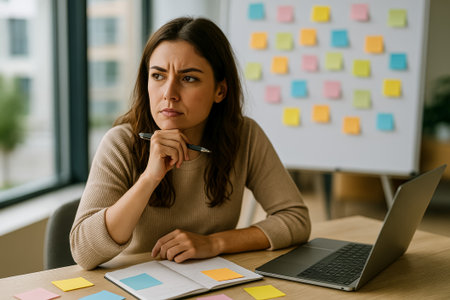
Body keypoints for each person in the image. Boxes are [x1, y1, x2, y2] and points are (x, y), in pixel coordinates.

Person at [70, 17, 311, 270]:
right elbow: (83, 253)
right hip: (137, 286)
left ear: (220, 90)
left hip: (212, 282)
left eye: (189, 79)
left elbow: (295, 219)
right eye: (158, 75)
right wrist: (149, 178)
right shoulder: (121, 143)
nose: (169, 93)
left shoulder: (244, 135)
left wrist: (214, 243)